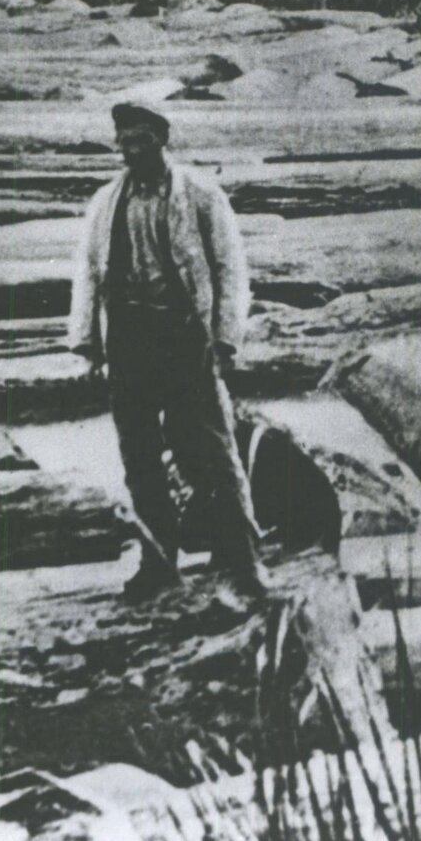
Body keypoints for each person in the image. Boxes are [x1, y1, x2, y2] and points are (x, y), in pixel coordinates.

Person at [66, 101, 269, 607]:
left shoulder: (199, 195)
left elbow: (230, 270)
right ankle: (159, 560)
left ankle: (241, 559)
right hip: (129, 343)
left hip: (183, 340)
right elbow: (89, 275)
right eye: (125, 143)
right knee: (139, 459)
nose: (132, 152)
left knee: (210, 451)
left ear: (162, 140)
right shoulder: (107, 202)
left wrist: (224, 342)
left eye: (142, 141)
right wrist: (88, 348)